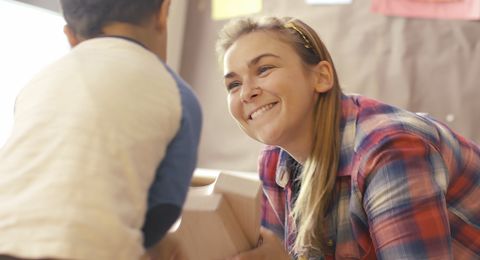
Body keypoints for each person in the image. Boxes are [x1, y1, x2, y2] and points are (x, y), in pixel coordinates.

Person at [216, 16, 480, 259]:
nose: (246, 93)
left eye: (264, 69)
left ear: (321, 77)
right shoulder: (274, 161)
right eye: (234, 84)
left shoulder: (390, 151)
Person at [0, 0, 202, 259]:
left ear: (70, 36)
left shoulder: (36, 84)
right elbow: (162, 211)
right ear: (163, 13)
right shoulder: (179, 96)